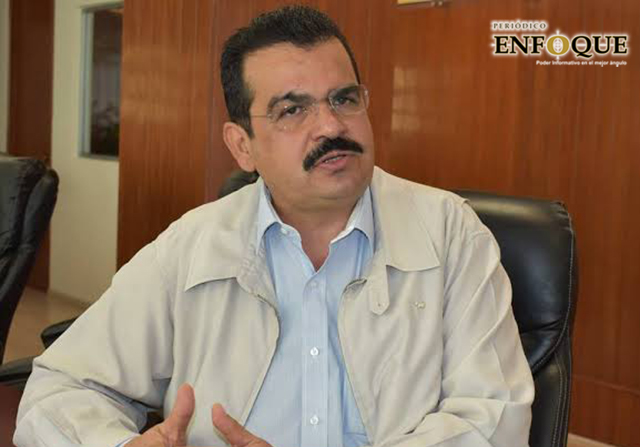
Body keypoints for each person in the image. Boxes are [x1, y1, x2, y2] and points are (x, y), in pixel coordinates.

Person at [14, 5, 534, 447]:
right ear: (242, 146)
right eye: (292, 110)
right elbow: (59, 389)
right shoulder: (191, 246)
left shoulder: (449, 232)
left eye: (344, 99)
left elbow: (494, 417)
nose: (331, 125)